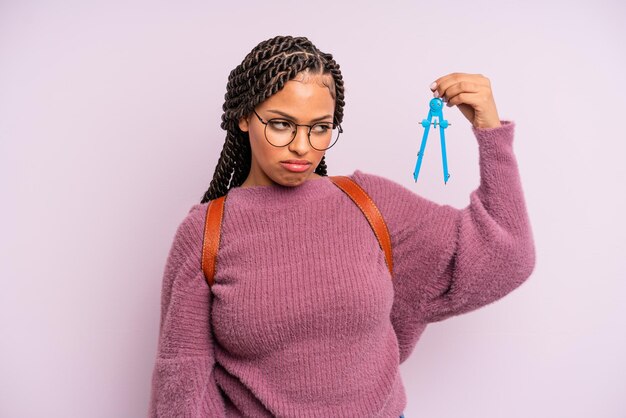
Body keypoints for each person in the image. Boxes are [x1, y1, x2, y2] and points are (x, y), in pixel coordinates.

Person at [147, 35, 536, 417]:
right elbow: (183, 383)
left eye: (320, 128)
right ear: (245, 117)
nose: (303, 146)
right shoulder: (205, 232)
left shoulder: (368, 203)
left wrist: (490, 132)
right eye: (282, 124)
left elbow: (506, 256)